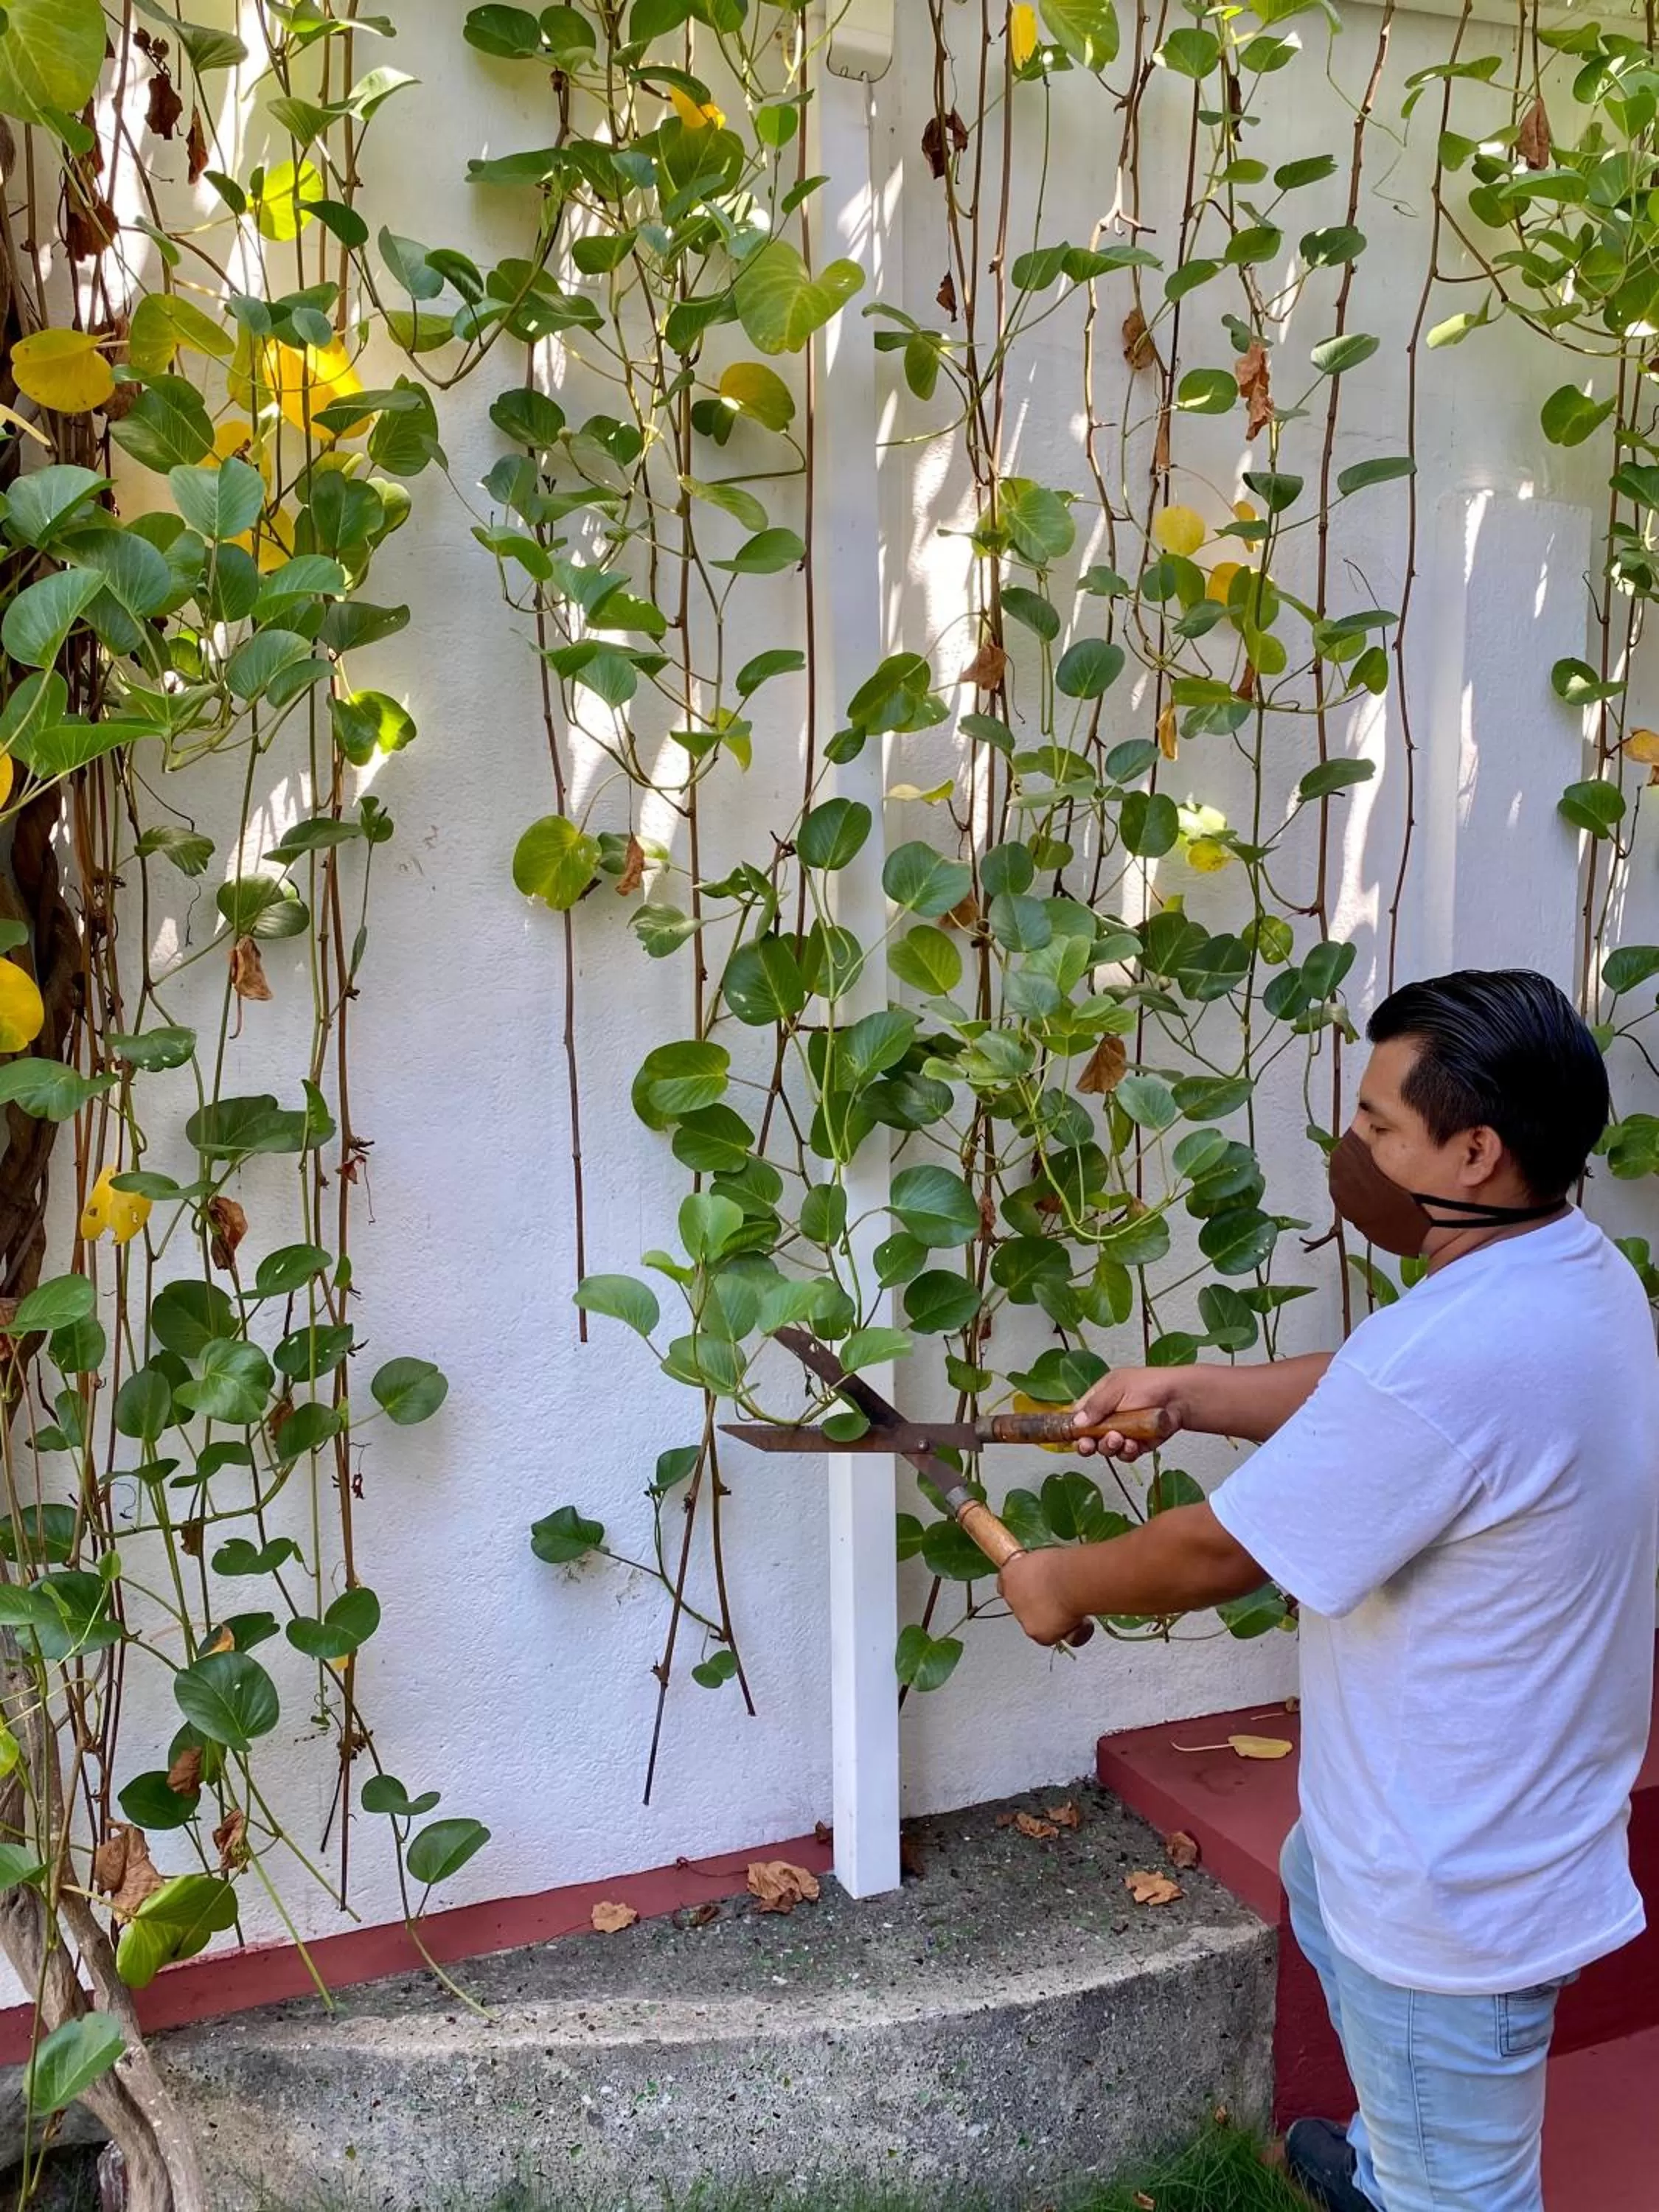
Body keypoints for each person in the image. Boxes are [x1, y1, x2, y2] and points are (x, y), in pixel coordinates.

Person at [998, 968, 1659, 2212]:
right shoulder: (1574, 1273)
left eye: (1373, 1127)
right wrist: (1193, 1391)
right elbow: (1378, 1388)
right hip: (1506, 1825)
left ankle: (1408, 2181)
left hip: (1448, 1892)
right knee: (1315, 1880)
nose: (1348, 1150)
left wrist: (1056, 1581)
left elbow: (1218, 1551)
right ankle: (1381, 2156)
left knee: (1458, 2190)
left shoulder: (1453, 1355)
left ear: (1472, 1152)